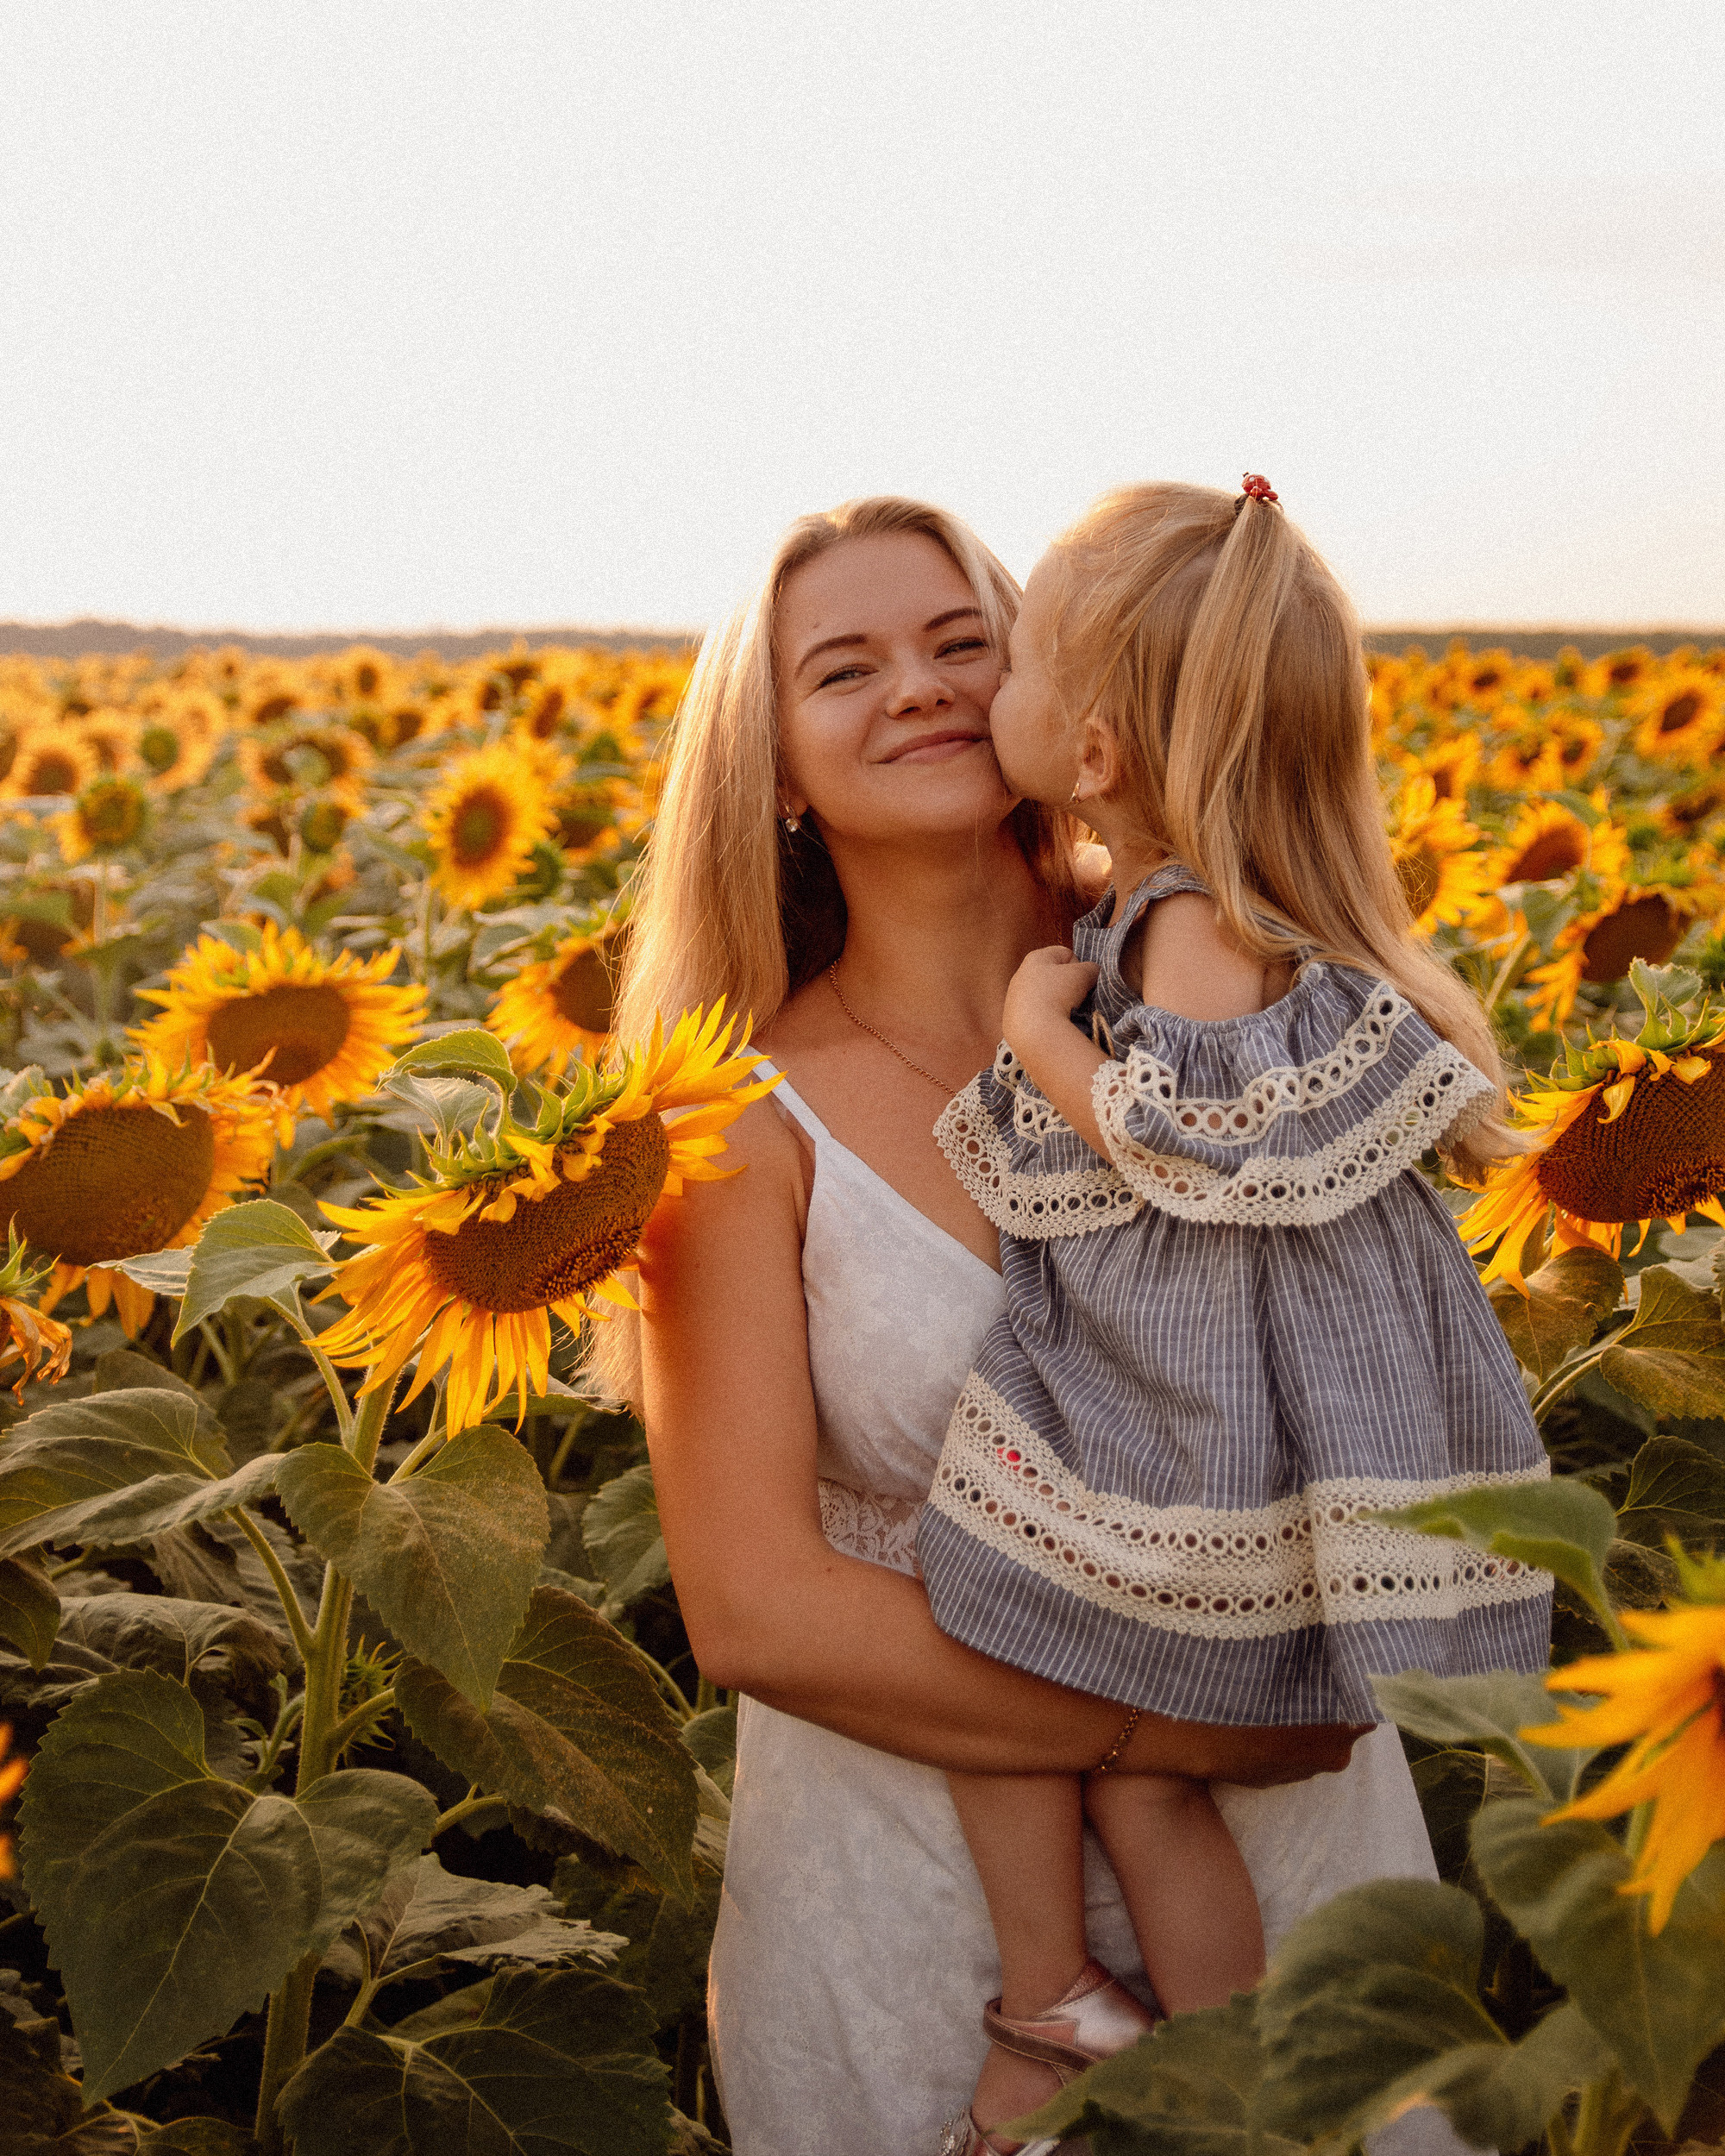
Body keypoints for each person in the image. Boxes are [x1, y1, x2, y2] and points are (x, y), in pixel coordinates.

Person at [606, 493, 1478, 2156]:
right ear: (775, 766)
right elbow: (757, 1612)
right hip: (921, 1889)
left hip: (1294, 1848)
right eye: (843, 668)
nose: (918, 688)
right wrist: (1194, 1722)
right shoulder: (730, 1119)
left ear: (1056, 697)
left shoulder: (1228, 963)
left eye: (959, 643)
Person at [912, 476, 1554, 2153]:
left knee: (996, 1612)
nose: (993, 698)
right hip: (1224, 1416)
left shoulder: (1192, 924)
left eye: (1018, 662)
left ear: (1102, 745)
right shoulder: (1186, 901)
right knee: (1129, 1764)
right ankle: (1226, 2072)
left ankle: (1195, 2064)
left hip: (1195, 1441)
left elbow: (1179, 1136)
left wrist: (1033, 1027)